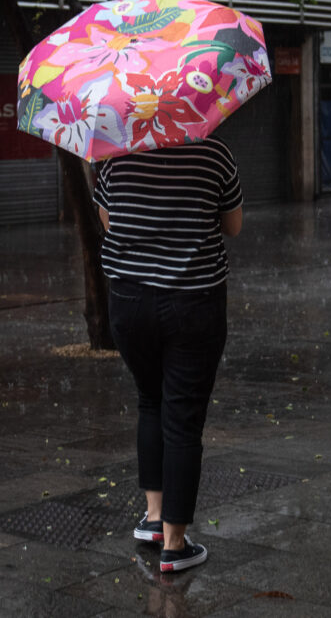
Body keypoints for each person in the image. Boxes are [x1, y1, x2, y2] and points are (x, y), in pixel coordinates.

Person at [93, 135, 242, 574]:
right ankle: (175, 546)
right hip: (193, 302)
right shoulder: (215, 153)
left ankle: (154, 518)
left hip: (130, 303)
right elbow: (232, 227)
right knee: (183, 417)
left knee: (150, 400)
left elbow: (107, 222)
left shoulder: (118, 155)